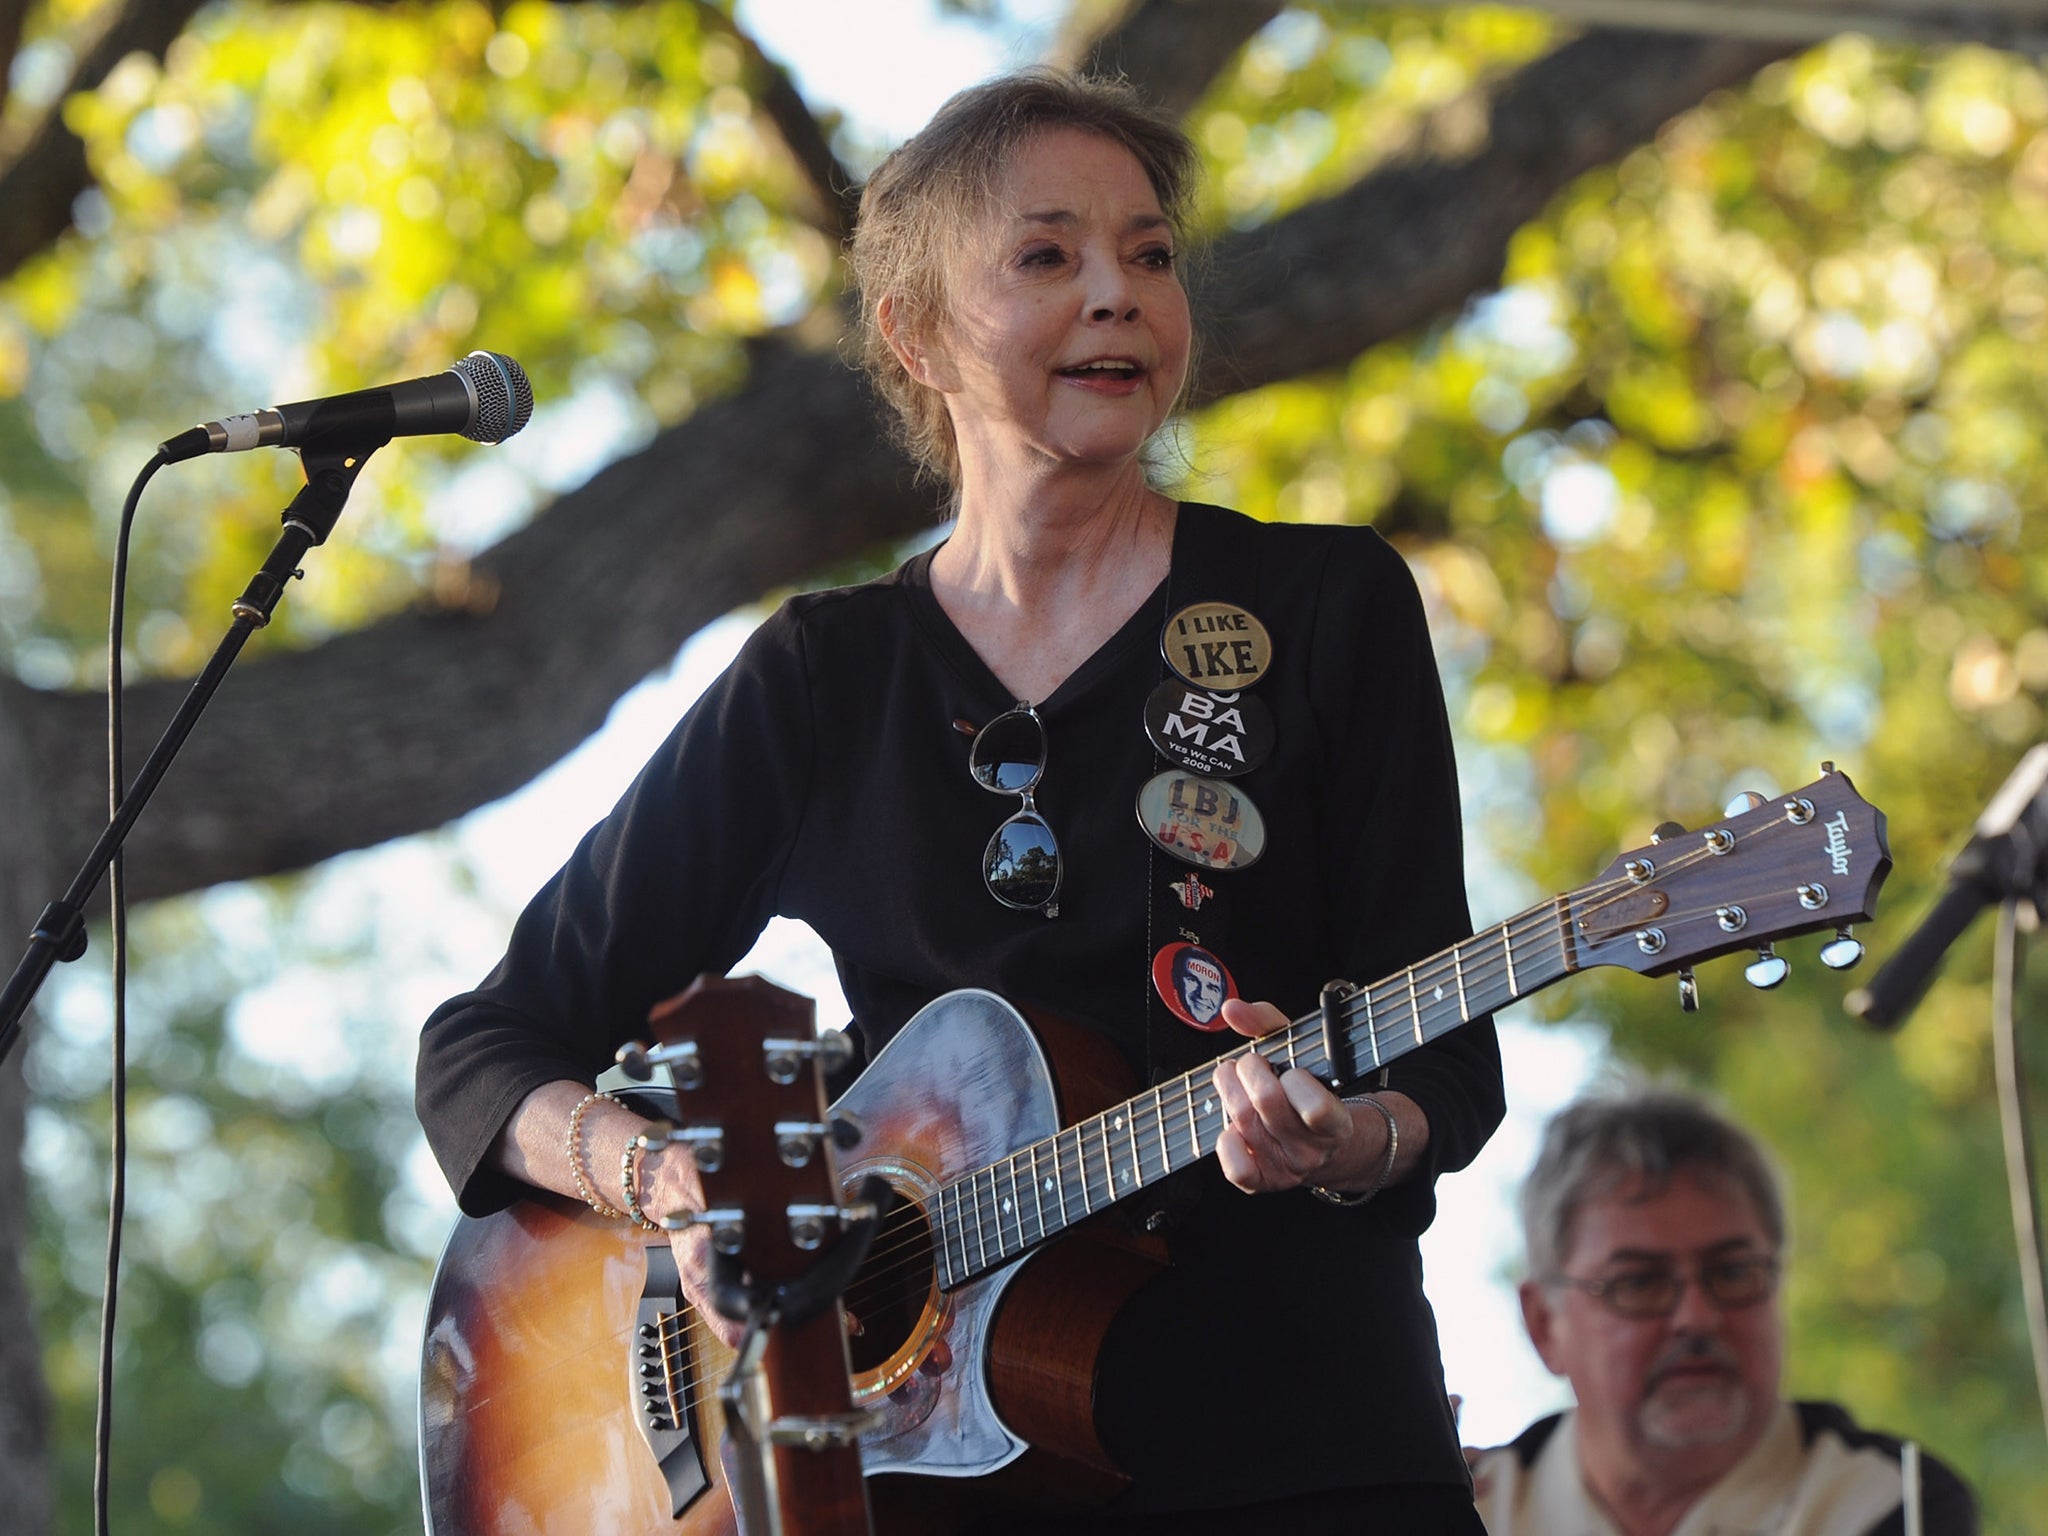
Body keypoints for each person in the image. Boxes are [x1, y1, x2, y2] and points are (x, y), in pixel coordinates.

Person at [417, 67, 1503, 1532]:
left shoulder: (1322, 606)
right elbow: (487, 1047)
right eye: (1048, 256)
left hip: (1296, 1442)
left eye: (1151, 254)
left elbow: (1447, 1056)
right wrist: (669, 1186)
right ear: (914, 332)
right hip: (927, 1480)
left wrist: (1348, 1139)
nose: (1117, 294)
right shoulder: (824, 677)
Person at [1469, 1089, 1977, 1536]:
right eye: (1641, 1282)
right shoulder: (1469, 1510)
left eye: (1732, 1272)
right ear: (1543, 1325)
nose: (1697, 1317)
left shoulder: (1887, 1500)